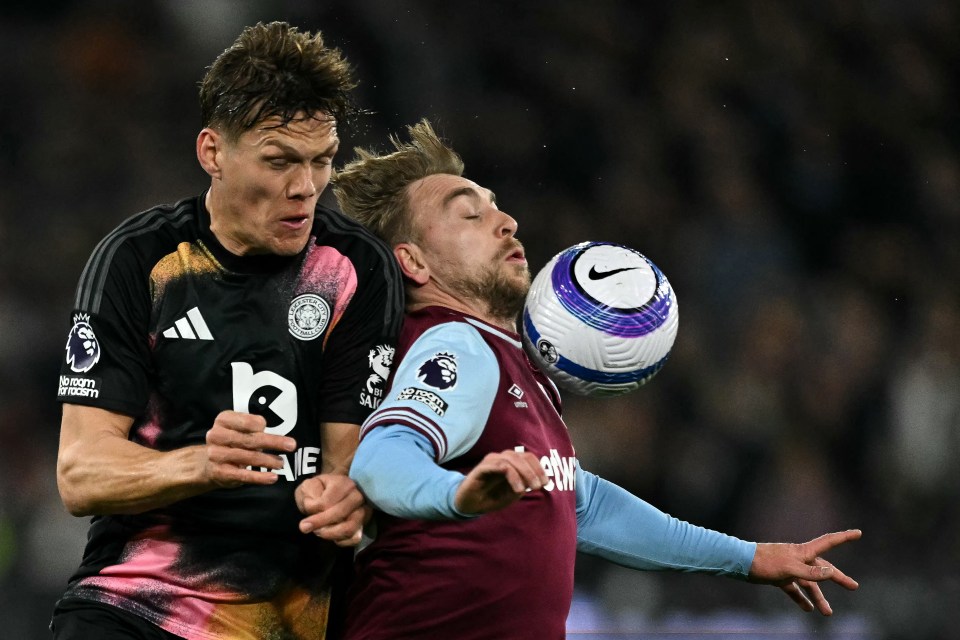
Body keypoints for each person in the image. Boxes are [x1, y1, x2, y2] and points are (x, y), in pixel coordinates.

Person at [331, 120, 862, 639]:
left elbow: (586, 504)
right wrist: (459, 495)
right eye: (471, 215)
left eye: (496, 205)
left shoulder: (511, 362)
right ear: (414, 262)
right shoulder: (456, 345)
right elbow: (383, 456)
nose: (507, 221)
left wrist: (750, 557)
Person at [52, 21, 403, 640]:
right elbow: (81, 472)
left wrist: (350, 499)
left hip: (282, 616)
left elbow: (347, 471)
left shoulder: (354, 269)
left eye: (322, 160)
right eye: (279, 160)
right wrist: (200, 463)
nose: (306, 187)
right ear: (213, 152)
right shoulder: (142, 261)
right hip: (132, 605)